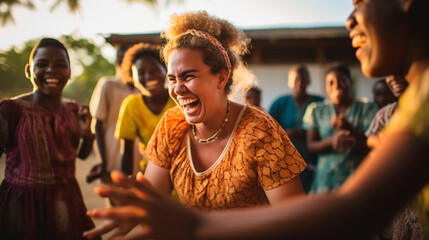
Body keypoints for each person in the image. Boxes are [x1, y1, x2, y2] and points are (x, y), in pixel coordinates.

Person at [85, 0, 429, 239]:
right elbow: (151, 203)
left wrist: (195, 228)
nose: (177, 89)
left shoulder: (259, 130)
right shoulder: (173, 125)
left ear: (221, 77)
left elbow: (342, 215)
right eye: (172, 79)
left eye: (188, 76)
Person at [0, 38, 100, 240]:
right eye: (42, 64)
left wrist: (88, 135)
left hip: (65, 201)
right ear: (29, 70)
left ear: (70, 72)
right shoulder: (11, 110)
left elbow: (81, 156)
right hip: (21, 202)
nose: (51, 70)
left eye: (60, 65)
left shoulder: (76, 110)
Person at [302, 63, 378, 194]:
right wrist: (331, 141)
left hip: (358, 180)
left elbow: (373, 147)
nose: (336, 85)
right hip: (325, 182)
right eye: (330, 82)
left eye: (341, 80)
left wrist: (349, 128)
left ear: (350, 82)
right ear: (326, 86)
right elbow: (311, 146)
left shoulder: (367, 109)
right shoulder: (316, 110)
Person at [115, 42, 176, 175]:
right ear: (133, 77)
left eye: (154, 70)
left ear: (165, 70)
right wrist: (127, 183)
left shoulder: (179, 97)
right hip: (152, 173)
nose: (149, 76)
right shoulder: (131, 105)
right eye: (141, 72)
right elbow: (127, 152)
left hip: (185, 171)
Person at [87, 45, 141, 184]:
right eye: (122, 58)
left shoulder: (144, 88)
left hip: (141, 158)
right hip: (112, 155)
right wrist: (103, 161)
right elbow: (97, 125)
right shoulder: (108, 85)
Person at [269, 64, 324, 192]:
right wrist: (287, 134)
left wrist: (308, 134)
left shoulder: (319, 102)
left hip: (315, 162)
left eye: (303, 79)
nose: (299, 83)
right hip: (286, 163)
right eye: (296, 80)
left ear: (308, 81)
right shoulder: (280, 104)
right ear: (290, 82)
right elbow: (268, 131)